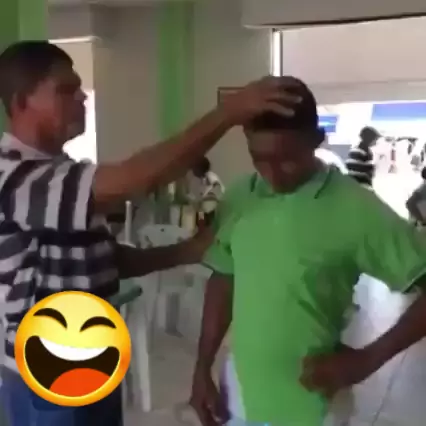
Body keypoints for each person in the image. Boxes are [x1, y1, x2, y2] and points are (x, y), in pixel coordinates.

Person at [0, 41, 299, 426]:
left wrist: (190, 250)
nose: (82, 98)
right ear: (21, 102)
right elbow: (135, 179)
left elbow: (108, 260)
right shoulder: (15, 175)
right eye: (66, 90)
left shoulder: (59, 171)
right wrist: (227, 114)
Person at [190, 77, 426, 426]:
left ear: (317, 140)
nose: (273, 175)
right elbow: (224, 278)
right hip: (239, 402)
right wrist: (202, 367)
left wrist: (367, 360)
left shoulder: (355, 208)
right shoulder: (241, 197)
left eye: (288, 159)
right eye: (260, 159)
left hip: (313, 411)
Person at [189, 157, 225, 226]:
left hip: (208, 207)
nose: (193, 171)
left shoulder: (201, 181)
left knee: (205, 223)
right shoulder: (203, 179)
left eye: (194, 169)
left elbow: (199, 204)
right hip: (210, 207)